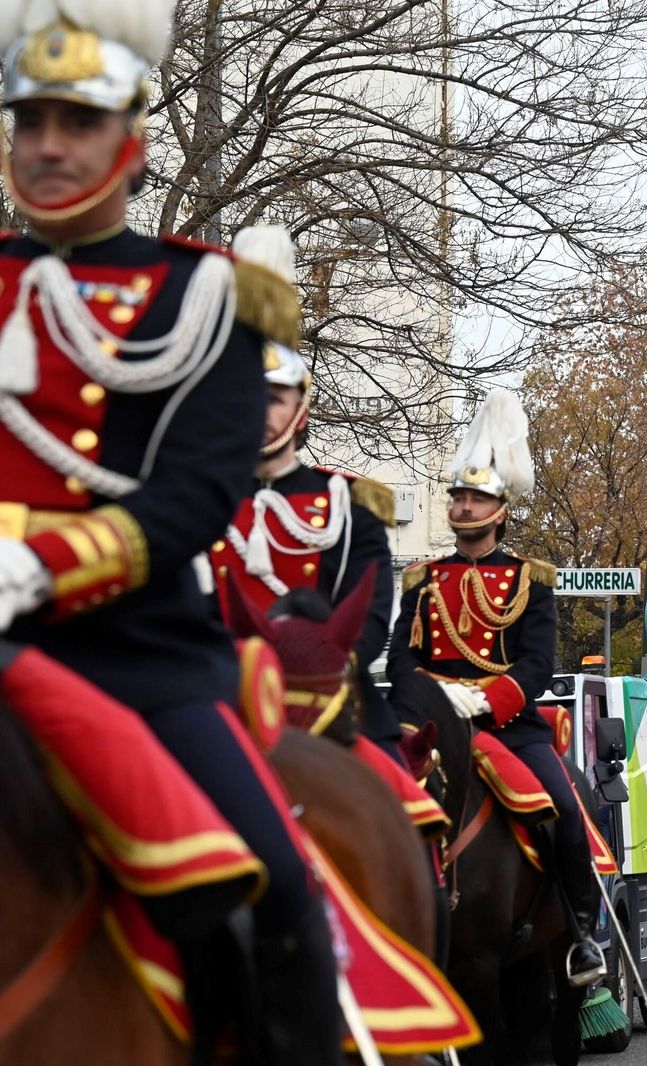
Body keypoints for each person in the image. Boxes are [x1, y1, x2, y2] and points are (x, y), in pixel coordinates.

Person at [0, 5, 343, 1060]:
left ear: (134, 139)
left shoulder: (209, 298)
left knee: (278, 888)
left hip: (135, 656)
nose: (48, 145)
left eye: (78, 121)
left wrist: (36, 566)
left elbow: (195, 494)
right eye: (30, 119)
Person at [387, 388, 606, 987]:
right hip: (432, 725)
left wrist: (487, 698)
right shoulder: (421, 579)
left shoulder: (531, 579)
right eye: (458, 496)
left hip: (507, 725)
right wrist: (433, 699)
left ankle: (583, 935)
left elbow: (537, 664)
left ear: (500, 508)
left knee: (566, 810)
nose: (464, 506)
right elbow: (401, 659)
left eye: (477, 497)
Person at [206, 229, 404, 764]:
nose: (258, 410)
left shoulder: (350, 504)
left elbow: (372, 611)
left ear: (302, 408)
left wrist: (329, 666)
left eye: (273, 398)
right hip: (219, 695)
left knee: (408, 803)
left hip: (326, 694)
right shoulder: (200, 497)